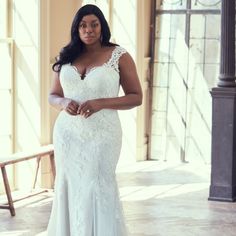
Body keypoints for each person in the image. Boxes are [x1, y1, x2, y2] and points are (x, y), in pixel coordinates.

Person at [47, 4, 142, 236]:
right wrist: (62, 103)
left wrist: (101, 103)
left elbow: (136, 97)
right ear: (76, 29)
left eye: (94, 24)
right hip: (67, 134)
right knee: (67, 184)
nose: (88, 29)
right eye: (82, 25)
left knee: (98, 184)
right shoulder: (66, 55)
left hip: (103, 135)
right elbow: (52, 95)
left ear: (102, 27)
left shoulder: (119, 55)